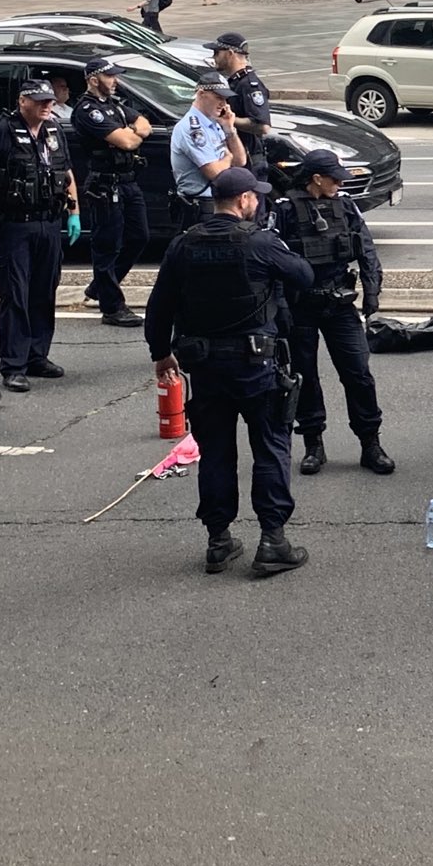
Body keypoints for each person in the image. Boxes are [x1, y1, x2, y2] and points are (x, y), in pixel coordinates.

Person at [145, 166, 316, 577]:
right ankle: (272, 540)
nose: (258, 201)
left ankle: (218, 541)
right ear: (243, 201)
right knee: (271, 446)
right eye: (255, 196)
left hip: (204, 367)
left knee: (216, 452)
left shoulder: (185, 245)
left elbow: (159, 304)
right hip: (255, 365)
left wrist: (160, 354)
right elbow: (304, 276)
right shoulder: (259, 243)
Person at [272, 150, 393, 478]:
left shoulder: (345, 206)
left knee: (358, 374)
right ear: (316, 178)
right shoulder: (283, 210)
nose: (340, 183)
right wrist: (279, 309)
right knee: (305, 376)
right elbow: (271, 261)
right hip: (301, 307)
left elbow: (366, 248)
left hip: (339, 304)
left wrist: (371, 289)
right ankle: (313, 444)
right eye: (335, 178)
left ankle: (370, 443)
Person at [0, 77, 78, 395]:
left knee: (45, 290)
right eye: (40, 101)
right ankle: (13, 366)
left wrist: (74, 213)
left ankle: (37, 356)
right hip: (14, 226)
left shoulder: (54, 130)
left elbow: (65, 173)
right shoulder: (1, 131)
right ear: (22, 101)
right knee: (15, 295)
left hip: (48, 224)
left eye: (50, 101)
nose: (47, 106)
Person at [71, 56, 152, 328]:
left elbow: (144, 125)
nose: (115, 80)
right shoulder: (87, 110)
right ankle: (112, 306)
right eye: (110, 76)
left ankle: (101, 286)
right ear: (94, 79)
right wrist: (129, 134)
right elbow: (128, 141)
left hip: (128, 181)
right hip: (105, 184)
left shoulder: (114, 105)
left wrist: (130, 133)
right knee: (107, 245)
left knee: (139, 236)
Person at [171, 75, 247, 223]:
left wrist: (230, 130)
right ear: (201, 94)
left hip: (217, 203)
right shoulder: (191, 128)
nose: (223, 104)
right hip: (201, 206)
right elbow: (215, 173)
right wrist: (227, 158)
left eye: (225, 99)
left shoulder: (214, 123)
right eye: (219, 97)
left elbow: (240, 161)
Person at [207, 31, 271, 145]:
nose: (213, 57)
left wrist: (226, 119)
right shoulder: (235, 81)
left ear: (230, 53)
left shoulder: (249, 85)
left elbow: (263, 126)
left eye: (217, 52)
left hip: (249, 158)